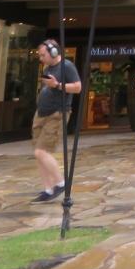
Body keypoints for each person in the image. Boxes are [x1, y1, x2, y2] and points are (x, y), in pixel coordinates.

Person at [32, 40, 81, 202]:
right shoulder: (48, 68)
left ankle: (61, 183)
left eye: (43, 55)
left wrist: (57, 85)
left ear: (54, 52)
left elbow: (78, 87)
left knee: (41, 151)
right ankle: (48, 189)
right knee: (39, 153)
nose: (41, 58)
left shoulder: (67, 66)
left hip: (57, 113)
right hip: (42, 113)